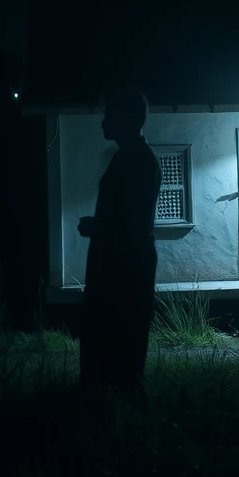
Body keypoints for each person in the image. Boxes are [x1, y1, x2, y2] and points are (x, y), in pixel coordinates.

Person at [77, 87, 162, 410]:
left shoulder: (138, 161)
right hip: (118, 262)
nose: (102, 123)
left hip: (125, 266)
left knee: (121, 336)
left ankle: (121, 413)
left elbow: (134, 222)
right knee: (112, 336)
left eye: (109, 116)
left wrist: (95, 226)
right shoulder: (129, 157)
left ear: (128, 119)